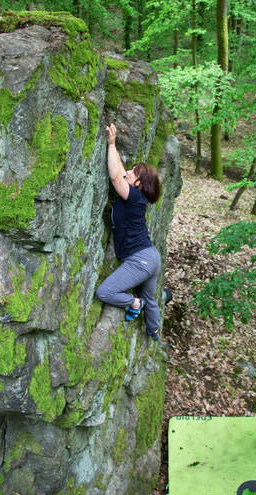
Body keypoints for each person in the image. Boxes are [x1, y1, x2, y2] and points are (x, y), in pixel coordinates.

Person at [96, 123, 161, 341]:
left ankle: (135, 304)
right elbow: (120, 172)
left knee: (105, 293)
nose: (127, 172)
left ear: (140, 184)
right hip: (151, 256)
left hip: (140, 260)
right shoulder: (137, 198)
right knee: (150, 297)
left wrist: (112, 144)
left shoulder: (134, 197)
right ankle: (154, 329)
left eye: (133, 172)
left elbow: (116, 177)